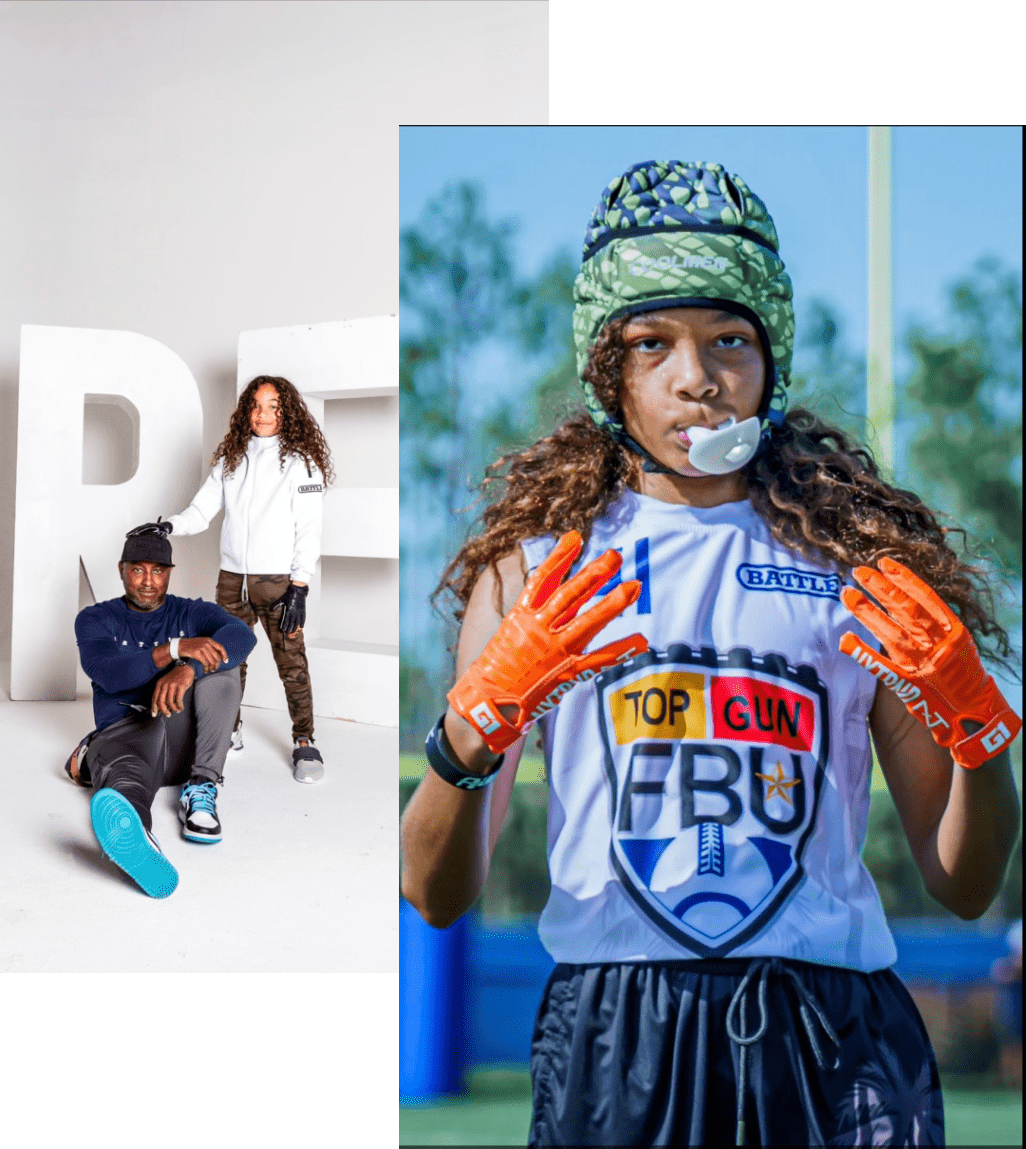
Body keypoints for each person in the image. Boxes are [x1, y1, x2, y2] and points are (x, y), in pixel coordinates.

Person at [400, 161, 1022, 1146]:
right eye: (655, 345)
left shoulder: (859, 569)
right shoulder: (535, 572)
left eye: (729, 340)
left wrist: (982, 740)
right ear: (609, 369)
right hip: (618, 1036)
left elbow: (966, 881)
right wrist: (471, 732)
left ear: (771, 358)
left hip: (834, 1033)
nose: (698, 378)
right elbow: (435, 895)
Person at [138, 375, 332, 783]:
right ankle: (230, 728)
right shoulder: (232, 458)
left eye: (274, 406)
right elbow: (201, 510)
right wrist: (167, 527)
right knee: (224, 661)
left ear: (287, 412)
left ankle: (304, 742)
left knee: (291, 663)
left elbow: (309, 530)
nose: (263, 414)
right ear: (247, 409)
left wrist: (300, 586)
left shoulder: (301, 461)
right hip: (232, 581)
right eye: (256, 405)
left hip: (279, 582)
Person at [69, 524, 256, 898]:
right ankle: (137, 839)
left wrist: (190, 668)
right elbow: (108, 672)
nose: (148, 581)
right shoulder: (95, 618)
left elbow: (243, 636)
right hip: (128, 731)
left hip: (184, 740)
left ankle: (202, 786)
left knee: (223, 669)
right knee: (125, 786)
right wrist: (173, 651)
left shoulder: (191, 611)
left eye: (157, 570)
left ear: (169, 572)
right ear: (122, 570)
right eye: (138, 569)